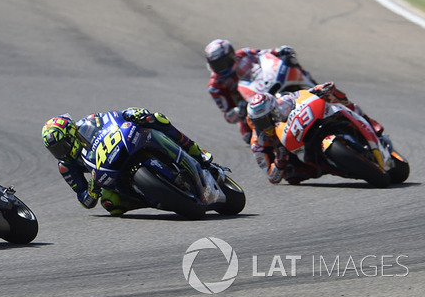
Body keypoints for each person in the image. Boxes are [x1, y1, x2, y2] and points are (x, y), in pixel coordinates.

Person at [41, 108, 213, 216]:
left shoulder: (89, 122)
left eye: (61, 146)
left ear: (71, 133)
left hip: (123, 145)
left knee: (157, 118)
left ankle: (197, 152)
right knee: (110, 204)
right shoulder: (66, 166)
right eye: (54, 150)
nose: (60, 153)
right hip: (111, 175)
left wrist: (132, 113)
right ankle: (156, 199)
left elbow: (116, 116)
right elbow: (84, 200)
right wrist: (93, 189)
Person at [246, 82, 384, 184]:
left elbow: (302, 95)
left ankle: (368, 120)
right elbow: (272, 177)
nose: (264, 125)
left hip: (309, 124)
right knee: (292, 175)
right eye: (259, 122)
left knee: (333, 94)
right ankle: (339, 168)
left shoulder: (285, 101)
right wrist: (279, 161)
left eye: (266, 119)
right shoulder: (258, 141)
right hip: (295, 151)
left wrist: (318, 90)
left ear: (274, 109)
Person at [205, 38, 310, 144]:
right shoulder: (215, 86)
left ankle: (313, 86)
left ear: (231, 55)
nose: (221, 68)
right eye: (217, 65)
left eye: (223, 62)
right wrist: (239, 111)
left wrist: (280, 51)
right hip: (250, 110)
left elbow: (264, 53)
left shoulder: (243, 53)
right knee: (255, 138)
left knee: (290, 62)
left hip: (263, 85)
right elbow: (228, 116)